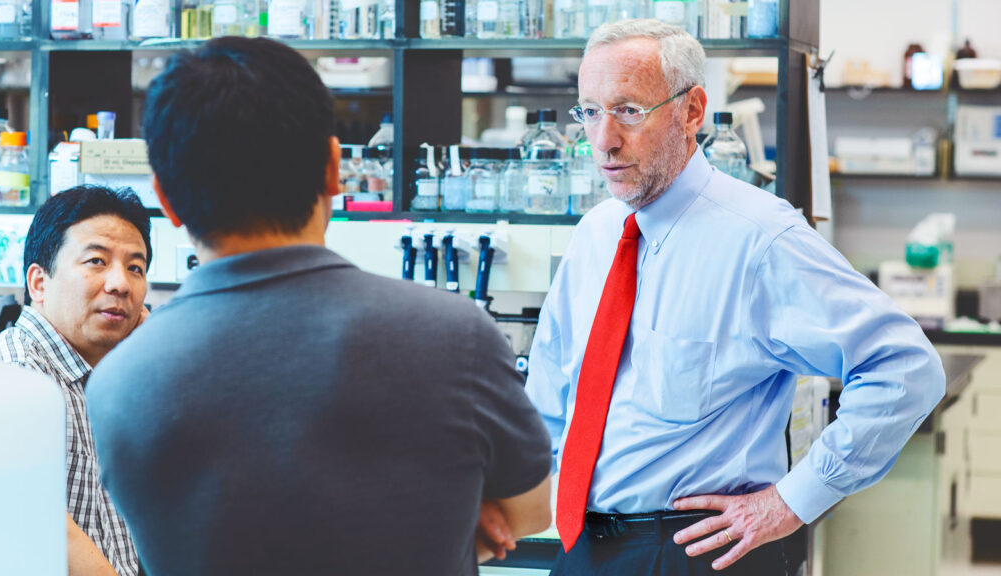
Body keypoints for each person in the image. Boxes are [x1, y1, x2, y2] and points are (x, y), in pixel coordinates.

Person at [84, 36, 552, 576]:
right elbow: (531, 511)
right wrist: (446, 518)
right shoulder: (453, 336)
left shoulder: (118, 384)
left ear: (163, 198)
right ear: (334, 167)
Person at [522, 19, 946, 575]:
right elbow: (551, 393)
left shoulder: (761, 238)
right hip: (581, 545)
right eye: (590, 112)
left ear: (692, 111)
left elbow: (907, 370)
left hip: (697, 552)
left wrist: (792, 502)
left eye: (628, 110)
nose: (603, 139)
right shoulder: (596, 233)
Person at [0, 185, 151, 576]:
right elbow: (45, 526)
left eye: (136, 267)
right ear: (39, 283)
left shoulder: (104, 372)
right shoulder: (16, 374)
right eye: (97, 261)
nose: (121, 284)